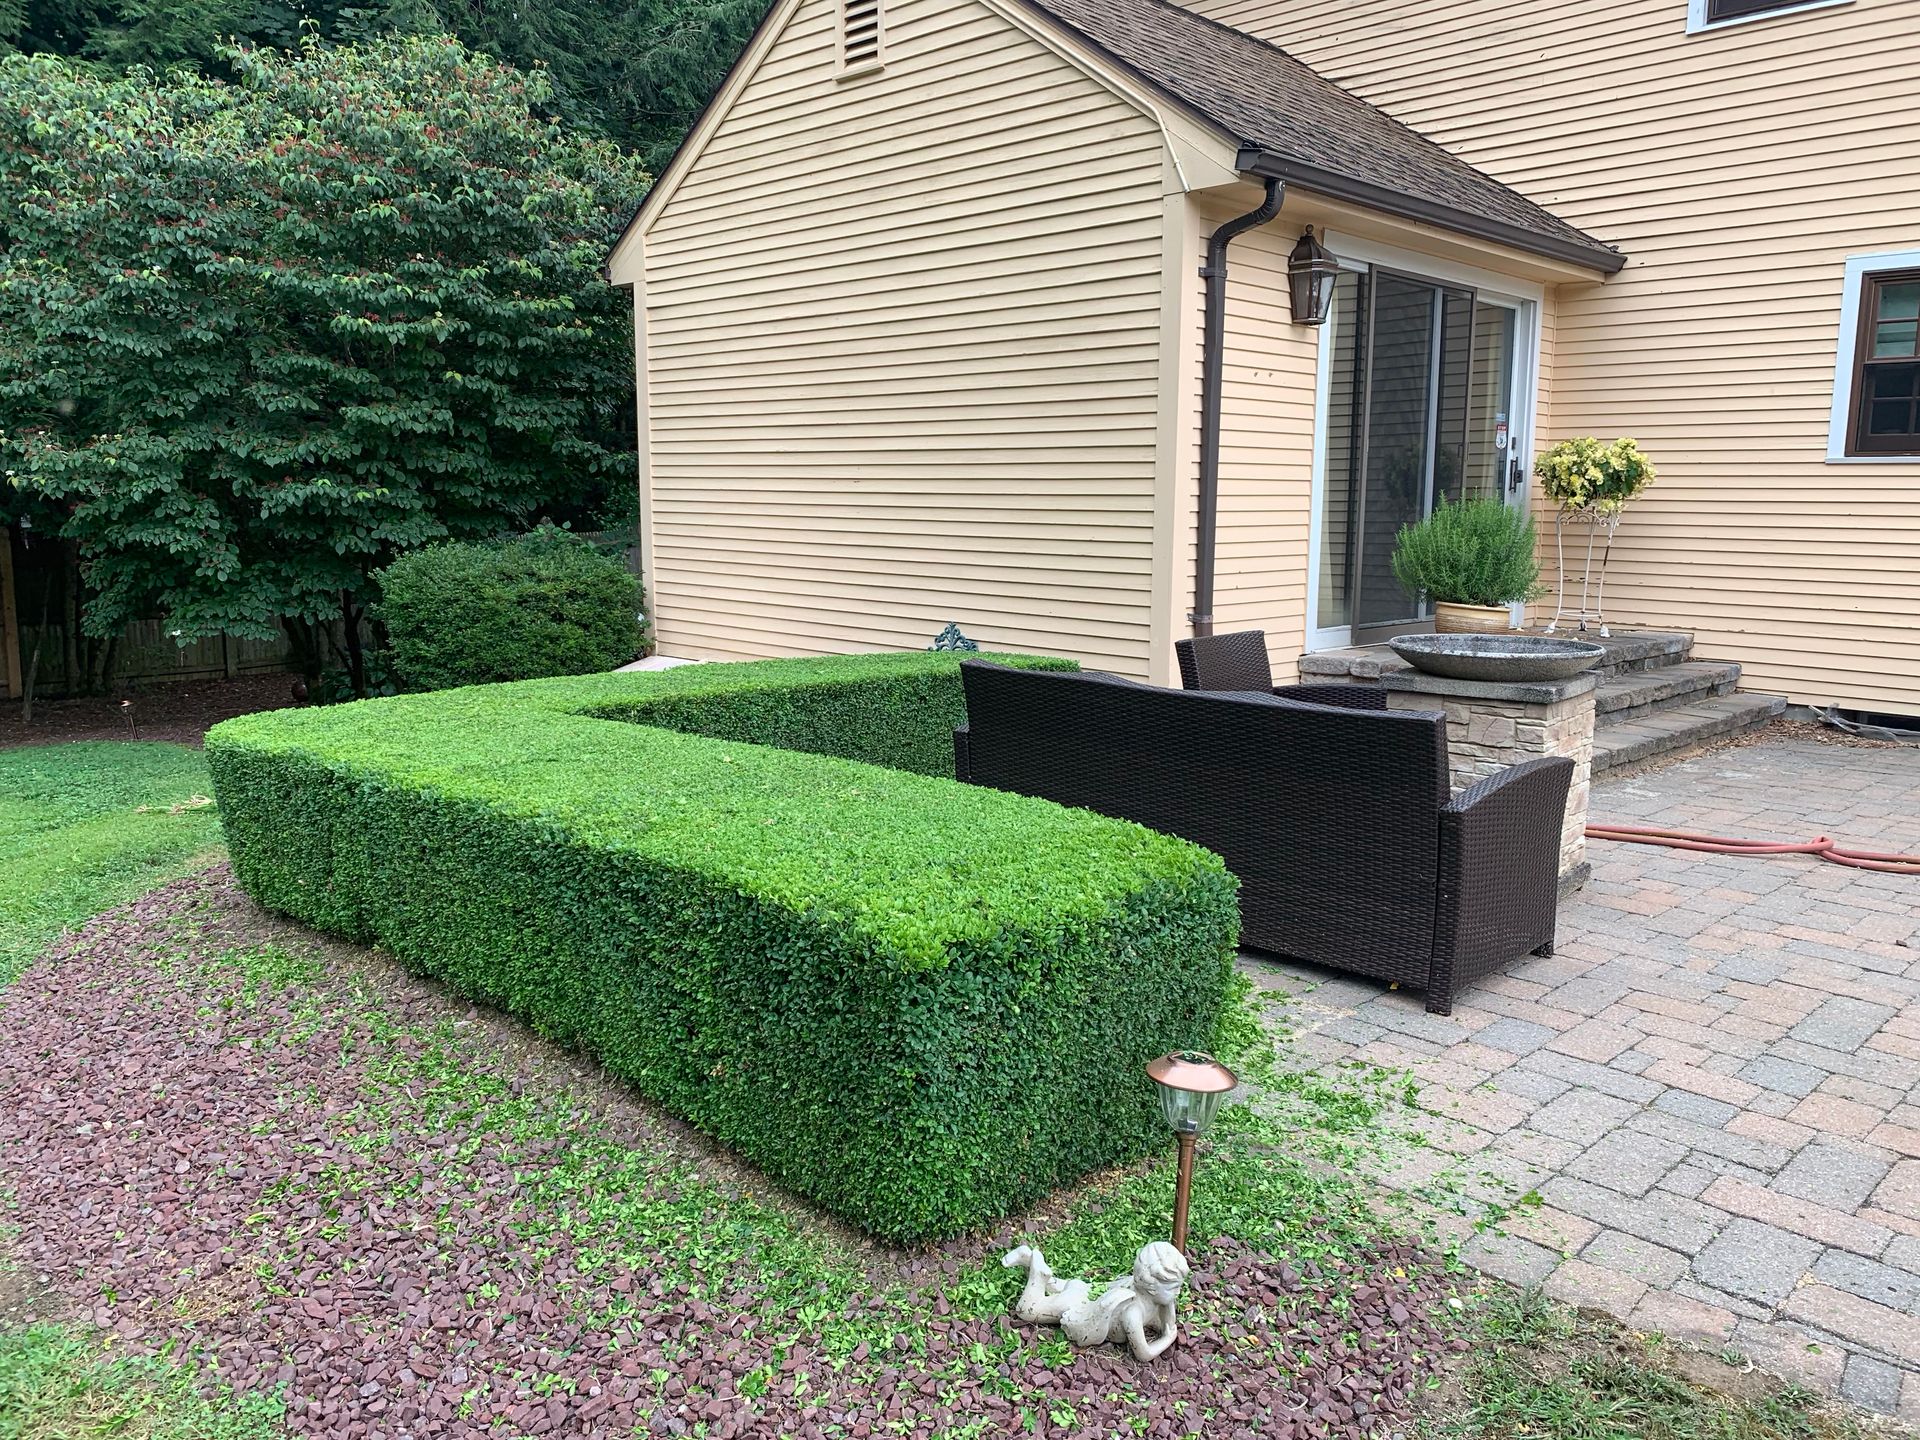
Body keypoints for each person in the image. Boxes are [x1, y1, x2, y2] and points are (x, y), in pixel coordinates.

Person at [1001, 1240, 1187, 1361]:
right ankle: (1038, 1274)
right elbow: (1144, 1354)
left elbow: (1167, 1320)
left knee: (1058, 1285)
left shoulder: (1152, 1296)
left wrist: (1169, 1309)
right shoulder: (1133, 1313)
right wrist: (1168, 1338)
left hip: (1085, 1292)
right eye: (1174, 1288)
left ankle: (1029, 1258)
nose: (1178, 1292)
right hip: (1077, 1304)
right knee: (1027, 1311)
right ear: (1152, 1287)